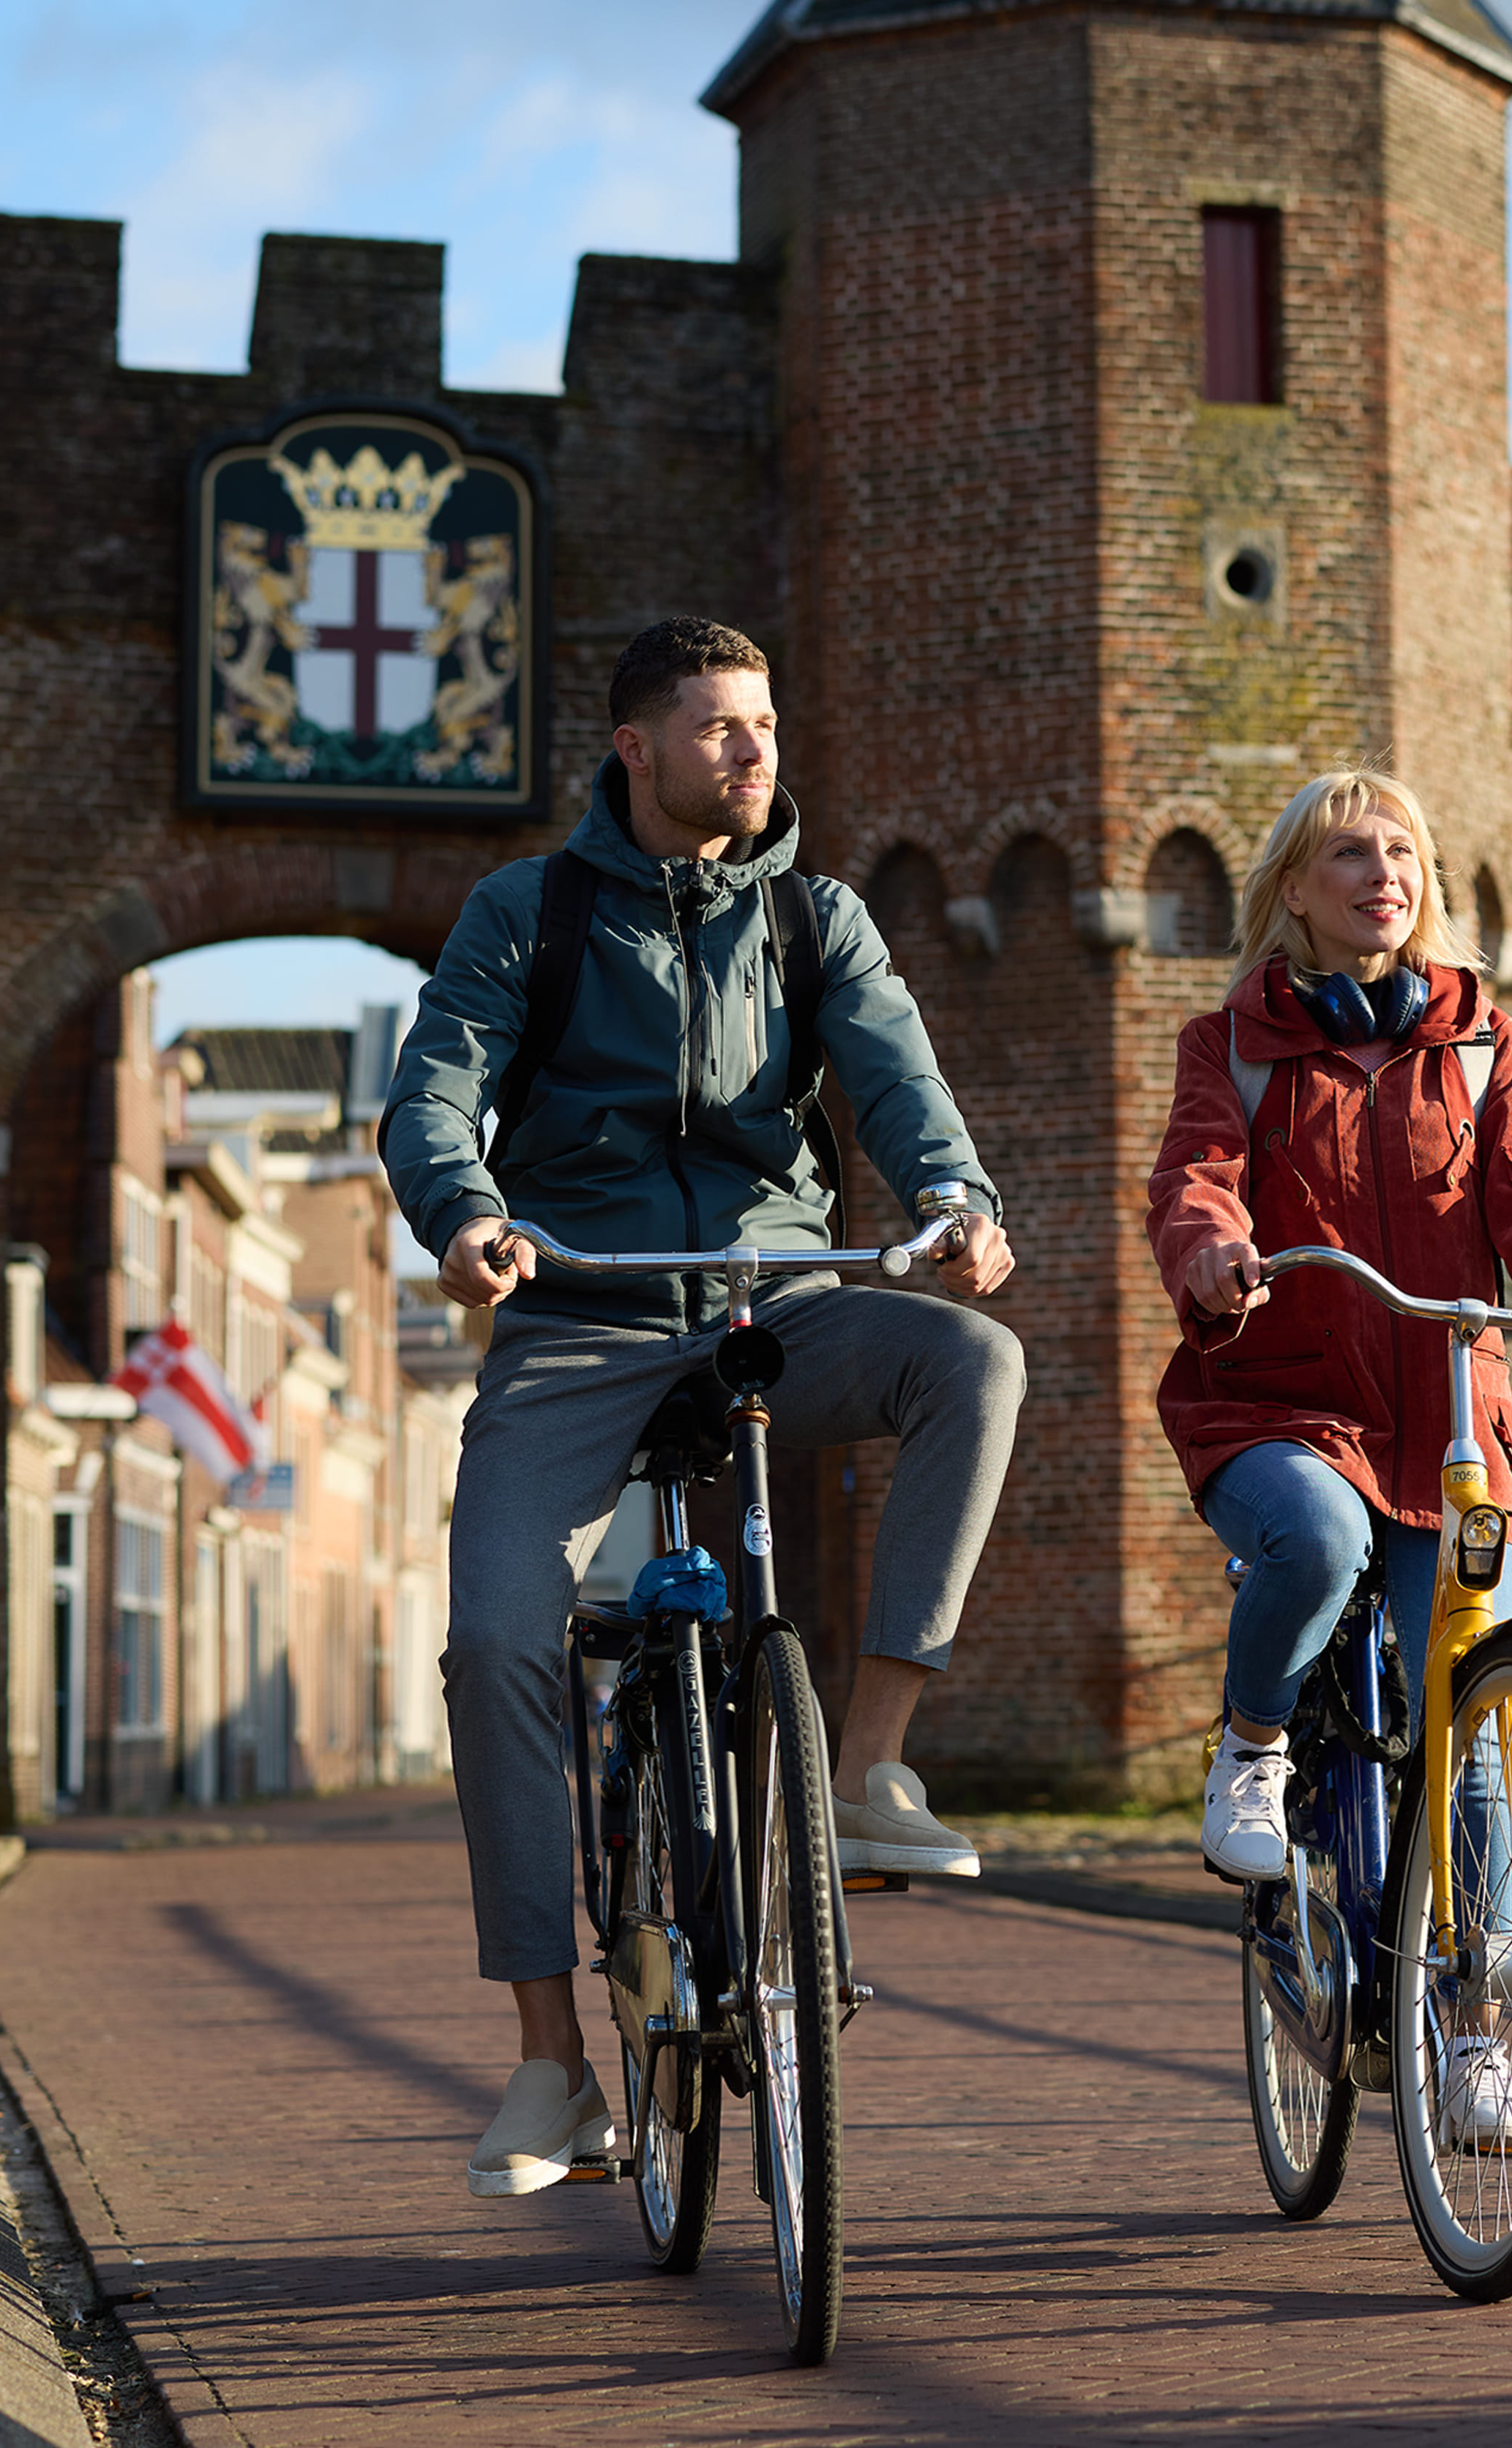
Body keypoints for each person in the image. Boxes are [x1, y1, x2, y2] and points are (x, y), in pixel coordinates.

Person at [381, 616, 1025, 2198]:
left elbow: (899, 1089)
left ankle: (867, 1769)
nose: (756, 753)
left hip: (769, 1311)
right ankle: (552, 2064)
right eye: (722, 729)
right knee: (505, 1642)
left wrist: (951, 1199)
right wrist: (464, 1210)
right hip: (581, 1318)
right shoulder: (526, 913)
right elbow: (438, 1085)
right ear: (639, 750)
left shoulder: (819, 920)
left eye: (767, 727)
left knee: (971, 1364)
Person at [1143, 768, 1512, 2151]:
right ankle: (1253, 1750)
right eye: (1349, 856)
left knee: (1478, 1726)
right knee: (1314, 1546)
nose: (1384, 874)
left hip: (1447, 1424)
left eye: (1402, 853)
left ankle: (1479, 2041)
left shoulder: (1486, 1044)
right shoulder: (1236, 1047)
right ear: (1293, 893)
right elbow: (1197, 1178)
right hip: (1278, 1404)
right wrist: (1213, 1258)